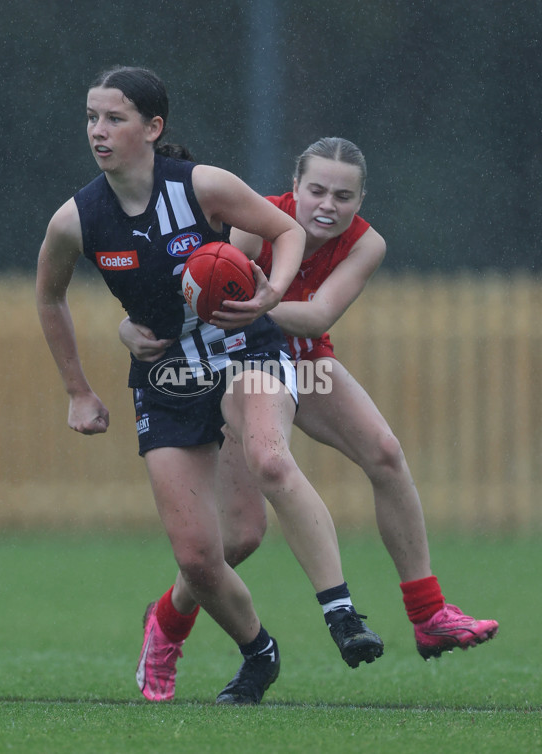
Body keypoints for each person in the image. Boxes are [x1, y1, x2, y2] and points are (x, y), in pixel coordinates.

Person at [36, 69, 384, 707]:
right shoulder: (76, 219)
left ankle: (341, 614)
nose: (97, 131)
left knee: (271, 459)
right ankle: (259, 653)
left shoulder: (203, 186)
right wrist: (78, 390)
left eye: (114, 118)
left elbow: (287, 232)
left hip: (245, 348)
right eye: (91, 117)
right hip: (168, 375)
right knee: (205, 554)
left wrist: (271, 294)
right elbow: (50, 298)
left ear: (153, 127)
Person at [119, 136, 499, 702]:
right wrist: (128, 327)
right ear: (293, 189)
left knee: (386, 452)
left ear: (360, 198)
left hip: (304, 360)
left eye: (343, 195)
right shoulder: (256, 219)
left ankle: (428, 612)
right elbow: (194, 292)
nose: (328, 204)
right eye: (316, 189)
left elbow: (320, 313)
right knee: (241, 537)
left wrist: (260, 302)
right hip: (238, 365)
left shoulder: (366, 244)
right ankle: (168, 625)